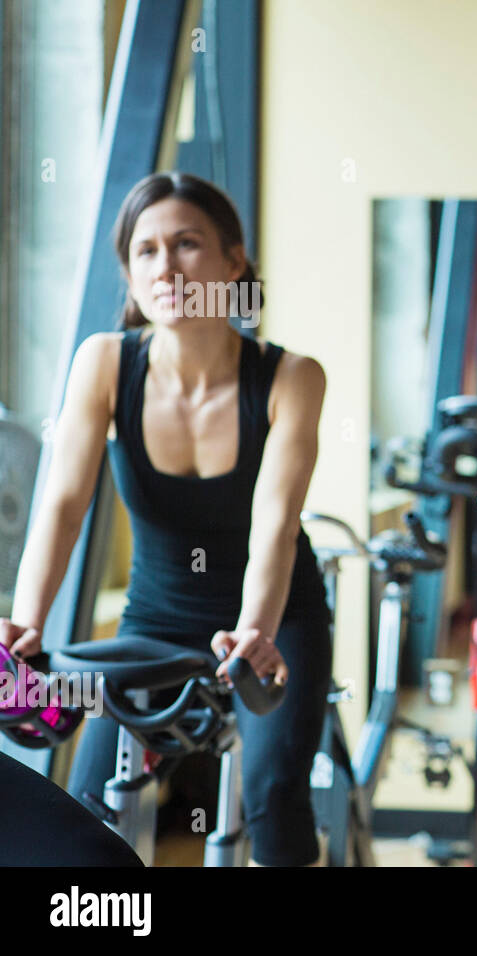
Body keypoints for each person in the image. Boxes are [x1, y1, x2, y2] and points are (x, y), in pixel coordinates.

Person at [0, 171, 332, 867]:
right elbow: (63, 507)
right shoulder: (105, 362)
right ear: (128, 270)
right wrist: (28, 623)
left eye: (186, 244)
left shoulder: (291, 377)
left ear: (232, 262)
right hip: (152, 622)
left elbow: (273, 524)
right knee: (86, 816)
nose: (167, 266)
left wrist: (256, 633)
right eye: (146, 251)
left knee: (273, 796)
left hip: (273, 622)